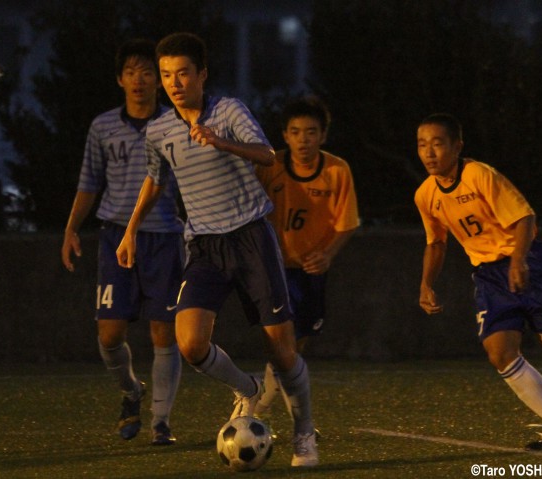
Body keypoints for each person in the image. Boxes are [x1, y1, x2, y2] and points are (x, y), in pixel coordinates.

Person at [116, 32, 319, 467]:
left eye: (183, 73)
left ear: (202, 75)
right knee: (189, 343)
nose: (173, 82)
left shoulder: (228, 111)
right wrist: (130, 229)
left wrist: (221, 142)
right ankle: (246, 388)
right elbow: (155, 179)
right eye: (166, 75)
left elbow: (267, 155)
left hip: (250, 237)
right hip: (205, 246)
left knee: (282, 353)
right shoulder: (159, 130)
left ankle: (304, 436)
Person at [415, 112, 542, 451]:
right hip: (489, 276)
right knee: (499, 352)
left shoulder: (480, 175)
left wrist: (519, 259)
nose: (429, 153)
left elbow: (524, 217)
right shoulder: (425, 195)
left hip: (530, 264)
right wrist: (426, 284)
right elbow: (436, 242)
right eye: (422, 145)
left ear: (457, 146)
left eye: (438, 144)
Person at [61, 39, 184, 446]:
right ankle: (131, 391)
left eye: (148, 72)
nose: (139, 79)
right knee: (110, 335)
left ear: (159, 81)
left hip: (164, 236)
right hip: (116, 236)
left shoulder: (175, 123)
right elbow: (89, 182)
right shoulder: (103, 127)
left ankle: (160, 422)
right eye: (131, 72)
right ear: (119, 79)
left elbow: (189, 181)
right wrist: (71, 228)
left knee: (164, 333)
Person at [254, 96, 359, 437]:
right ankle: (293, 425)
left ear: (323, 135)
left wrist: (327, 254)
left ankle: (258, 405)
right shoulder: (269, 166)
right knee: (284, 345)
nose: (303, 139)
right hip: (275, 269)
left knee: (297, 345)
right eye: (296, 132)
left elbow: (347, 223)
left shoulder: (337, 170)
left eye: (311, 132)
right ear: (284, 135)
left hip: (311, 271)